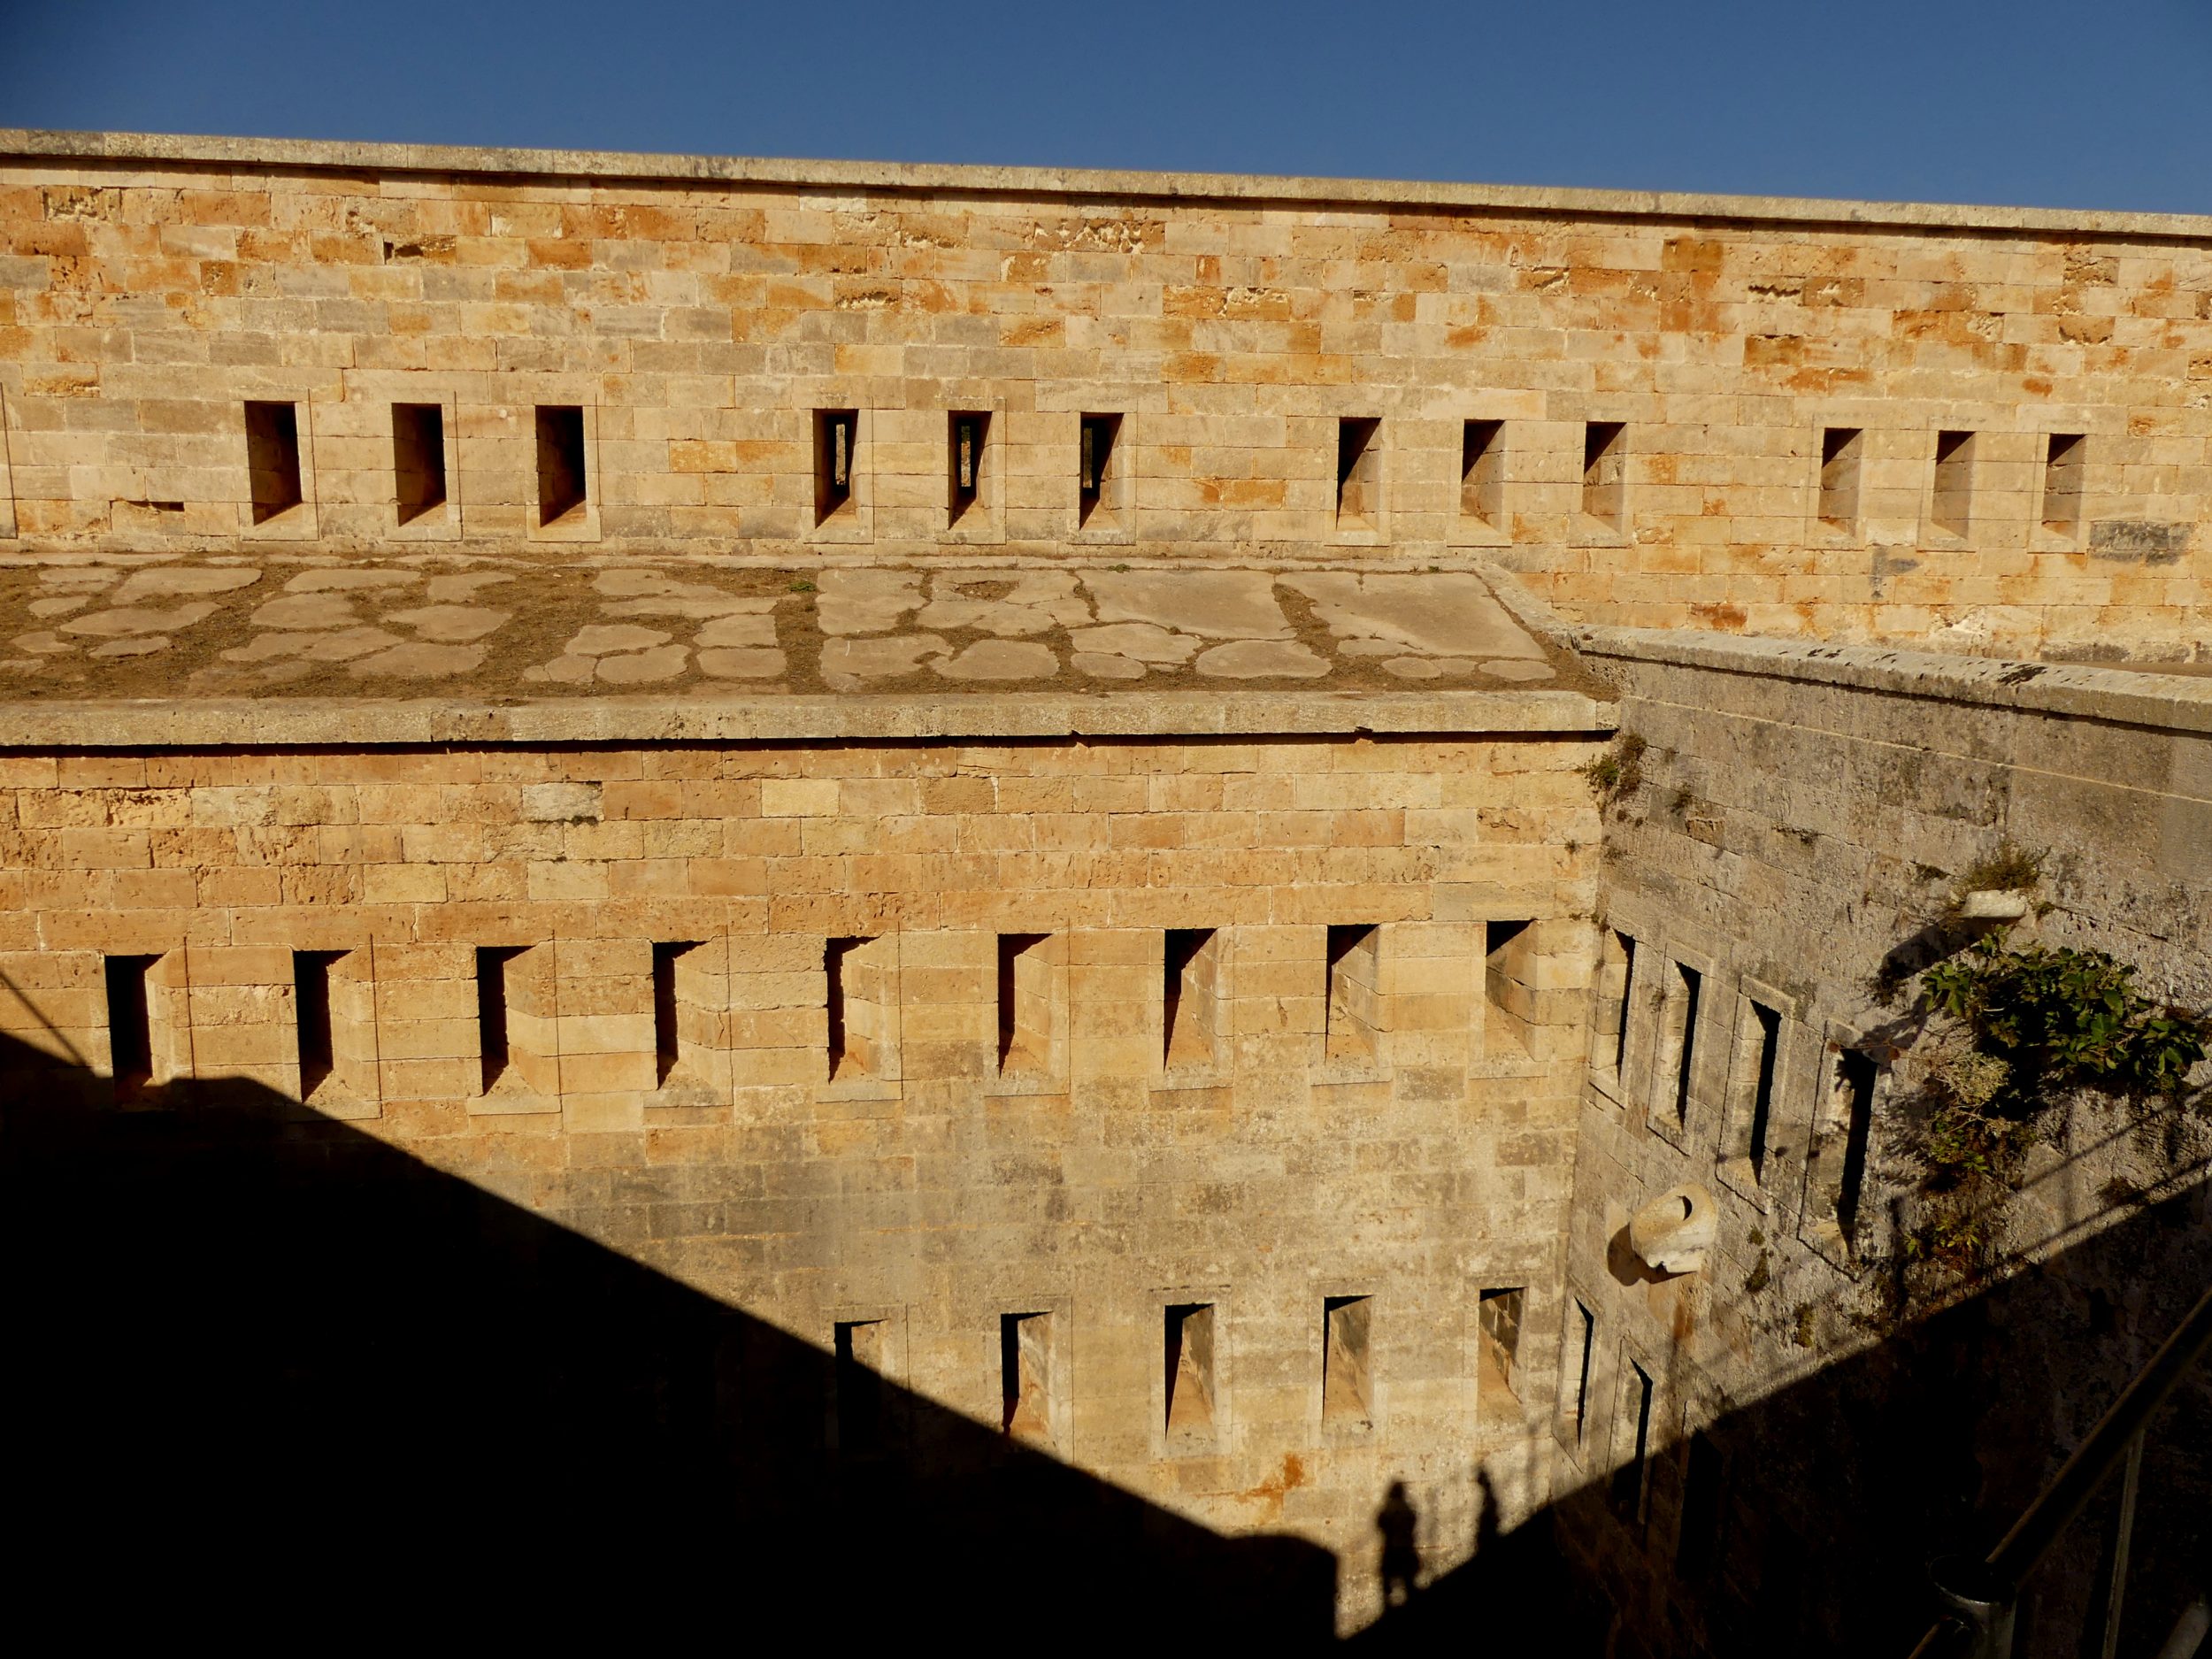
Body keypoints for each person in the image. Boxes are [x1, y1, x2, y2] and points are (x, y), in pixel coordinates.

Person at [1377, 1480, 1419, 1609]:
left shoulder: (1388, 1508)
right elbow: (1413, 1522)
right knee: (1408, 1583)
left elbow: (1379, 1523)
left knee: (1386, 1585)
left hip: (1392, 1550)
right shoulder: (1407, 1508)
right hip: (1406, 1549)